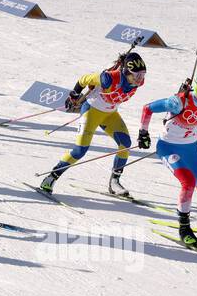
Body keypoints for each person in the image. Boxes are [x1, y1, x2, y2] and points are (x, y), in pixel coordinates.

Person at [39, 51, 147, 197]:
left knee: (125, 144)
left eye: (142, 75)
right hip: (92, 112)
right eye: (137, 75)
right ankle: (51, 178)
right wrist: (74, 94)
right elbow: (84, 79)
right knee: (80, 151)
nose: (140, 80)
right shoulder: (109, 78)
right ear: (126, 72)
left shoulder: (137, 83)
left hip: (110, 114)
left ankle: (114, 182)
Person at [139, 69, 197, 247]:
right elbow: (147, 108)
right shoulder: (178, 102)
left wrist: (196, 128)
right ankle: (184, 228)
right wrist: (143, 132)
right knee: (188, 182)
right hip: (168, 147)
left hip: (191, 148)